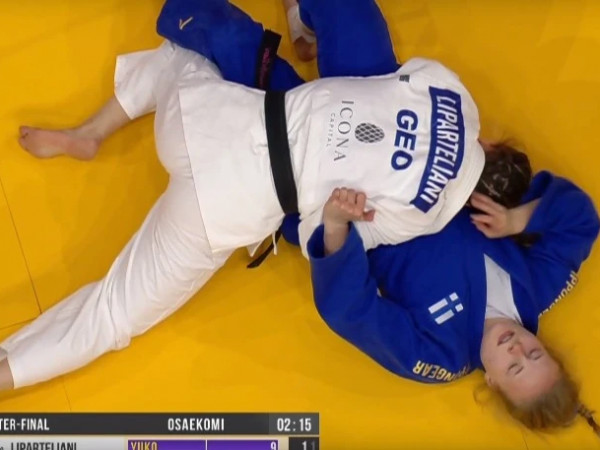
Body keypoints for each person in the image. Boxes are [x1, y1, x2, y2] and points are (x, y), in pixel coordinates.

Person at [0, 0, 525, 399]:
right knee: (115, 313)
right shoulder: (429, 215)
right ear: (470, 204)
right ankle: (7, 372)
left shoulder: (450, 91)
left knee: (185, 53)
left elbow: (381, 78)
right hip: (228, 205)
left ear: (493, 145)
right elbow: (323, 231)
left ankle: (91, 131)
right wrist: (336, 214)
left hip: (206, 115)